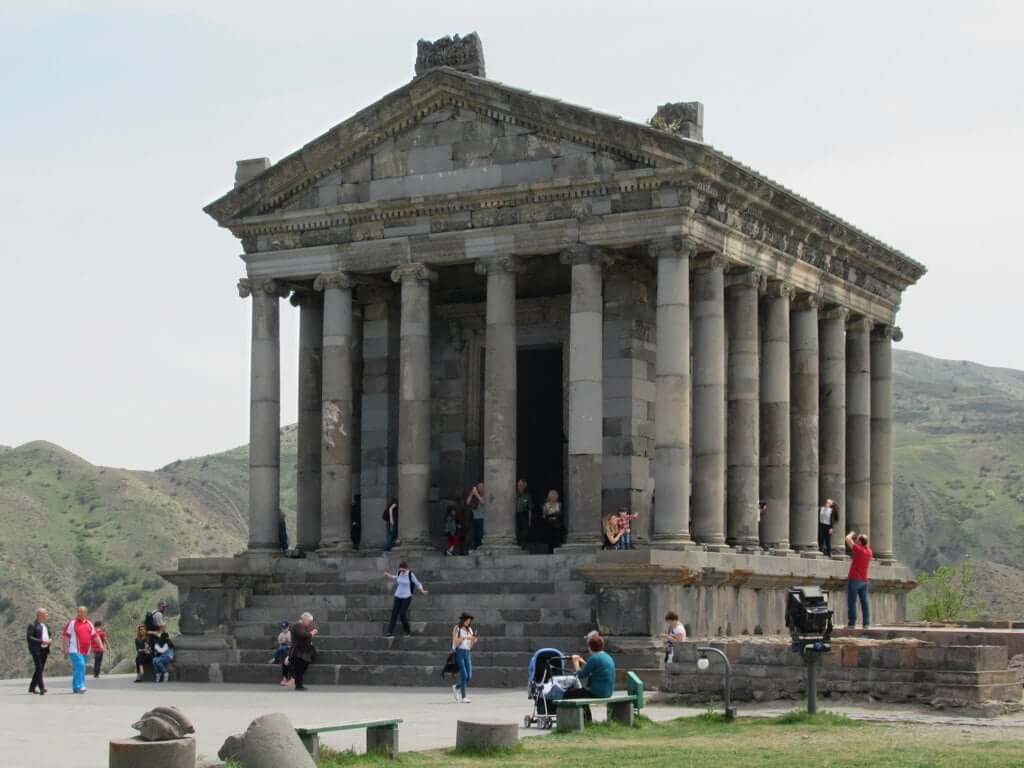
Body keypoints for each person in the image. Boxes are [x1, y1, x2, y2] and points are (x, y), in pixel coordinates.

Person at [561, 634, 616, 722]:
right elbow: (596, 669)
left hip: (597, 692)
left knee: (568, 694)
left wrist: (575, 662)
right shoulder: (607, 656)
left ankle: (573, 720)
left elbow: (581, 675)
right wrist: (584, 662)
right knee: (581, 694)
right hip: (608, 692)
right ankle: (586, 719)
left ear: (590, 647)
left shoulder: (593, 658)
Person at [384, 562, 428, 637]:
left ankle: (407, 631)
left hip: (407, 597)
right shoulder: (399, 573)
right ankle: (389, 632)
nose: (402, 572)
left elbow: (417, 583)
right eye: (401, 570)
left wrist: (422, 590)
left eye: (403, 571)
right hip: (398, 596)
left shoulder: (410, 574)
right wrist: (388, 575)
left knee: (402, 615)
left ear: (407, 569)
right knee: (394, 614)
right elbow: (396, 577)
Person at [62, 606, 98, 694]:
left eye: (81, 612)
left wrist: (100, 646)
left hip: (86, 650)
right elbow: (66, 636)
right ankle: (80, 686)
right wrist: (66, 649)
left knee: (79, 668)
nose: (79, 613)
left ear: (86, 613)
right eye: (78, 611)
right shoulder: (72, 623)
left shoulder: (89, 623)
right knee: (81, 665)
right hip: (74, 650)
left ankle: (75, 687)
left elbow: (94, 636)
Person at [846, 530, 873, 628]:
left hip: (854, 579)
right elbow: (865, 544)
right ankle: (866, 623)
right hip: (864, 580)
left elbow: (848, 539)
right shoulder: (869, 552)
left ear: (861, 543)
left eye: (857, 540)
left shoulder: (859, 550)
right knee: (864, 602)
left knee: (852, 602)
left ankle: (852, 623)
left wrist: (852, 533)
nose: (856, 541)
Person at [450, 612, 478, 703]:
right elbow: (456, 642)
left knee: (469, 676)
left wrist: (474, 640)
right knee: (464, 675)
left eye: (469, 621)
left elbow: (470, 645)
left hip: (467, 653)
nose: (468, 622)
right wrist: (465, 638)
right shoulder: (457, 628)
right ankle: (464, 697)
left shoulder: (470, 629)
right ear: (463, 620)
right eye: (467, 620)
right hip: (459, 652)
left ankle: (456, 687)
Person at [288, 612, 318, 690]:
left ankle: (298, 685)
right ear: (305, 619)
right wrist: (312, 633)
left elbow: (304, 637)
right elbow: (303, 635)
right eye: (309, 621)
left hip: (301, 652)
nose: (309, 623)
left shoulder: (301, 626)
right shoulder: (298, 625)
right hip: (298, 652)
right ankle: (298, 685)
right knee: (300, 669)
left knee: (301, 668)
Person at [27, 608, 51, 695]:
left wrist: (50, 639)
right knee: (39, 668)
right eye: (45, 614)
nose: (47, 615)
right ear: (40, 615)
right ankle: (42, 688)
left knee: (39, 669)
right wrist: (42, 641)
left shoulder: (46, 626)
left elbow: (49, 634)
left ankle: (32, 687)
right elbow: (30, 637)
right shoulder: (32, 625)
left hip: (45, 649)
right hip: (36, 650)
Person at [271, 620, 292, 686]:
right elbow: (279, 642)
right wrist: (281, 642)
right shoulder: (281, 634)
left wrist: (287, 641)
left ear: (288, 627)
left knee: (282, 650)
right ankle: (285, 678)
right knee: (281, 649)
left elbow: (292, 643)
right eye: (283, 628)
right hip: (283, 648)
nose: (284, 630)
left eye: (285, 628)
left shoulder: (290, 633)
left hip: (290, 648)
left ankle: (275, 658)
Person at [466, 482, 485, 549]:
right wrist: (472, 493)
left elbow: (483, 502)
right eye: (478, 486)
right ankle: (475, 547)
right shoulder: (475, 497)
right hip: (475, 519)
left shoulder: (484, 495)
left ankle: (480, 546)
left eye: (481, 486)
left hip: (482, 519)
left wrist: (476, 494)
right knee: (475, 535)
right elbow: (467, 502)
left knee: (480, 535)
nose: (480, 488)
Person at [515, 479, 534, 547]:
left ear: (524, 486)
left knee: (524, 530)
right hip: (515, 515)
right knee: (517, 530)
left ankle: (523, 545)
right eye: (518, 485)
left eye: (521, 485)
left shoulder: (527, 496)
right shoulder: (514, 495)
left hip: (524, 514)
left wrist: (529, 520)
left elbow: (530, 509)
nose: (520, 487)